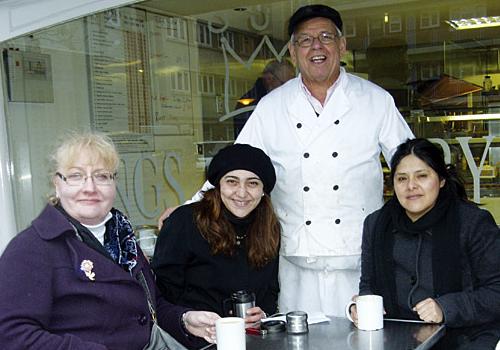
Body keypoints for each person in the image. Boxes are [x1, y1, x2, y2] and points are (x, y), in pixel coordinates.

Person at [159, 4, 414, 317]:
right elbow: (235, 164)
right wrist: (188, 209)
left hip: (360, 262)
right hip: (296, 263)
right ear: (293, 53)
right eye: (305, 41)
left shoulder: (375, 100)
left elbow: (411, 164)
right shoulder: (273, 106)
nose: (316, 47)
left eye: (325, 37)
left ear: (342, 45)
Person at [0, 132, 219, 350]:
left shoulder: (123, 239)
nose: (90, 188)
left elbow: (148, 308)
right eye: (76, 176)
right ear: (57, 184)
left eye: (102, 176)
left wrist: (184, 320)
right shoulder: (31, 248)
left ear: (114, 183)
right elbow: (12, 335)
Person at [349, 138, 500, 349]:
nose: (411, 186)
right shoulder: (376, 224)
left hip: (466, 338)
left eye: (422, 176)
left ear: (441, 180)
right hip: (396, 338)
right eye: (402, 179)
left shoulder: (472, 223)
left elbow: (496, 292)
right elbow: (368, 285)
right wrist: (360, 306)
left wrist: (446, 308)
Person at [152, 144, 280, 325]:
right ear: (218, 185)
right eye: (232, 181)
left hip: (250, 337)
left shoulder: (269, 227)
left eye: (252, 183)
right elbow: (161, 292)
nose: (242, 193)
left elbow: (270, 292)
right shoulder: (185, 222)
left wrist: (262, 315)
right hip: (194, 338)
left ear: (263, 190)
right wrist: (187, 320)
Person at [233, 59, 295, 138]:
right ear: (269, 79)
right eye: (284, 84)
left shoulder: (291, 100)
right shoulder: (250, 105)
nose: (291, 88)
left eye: (293, 83)